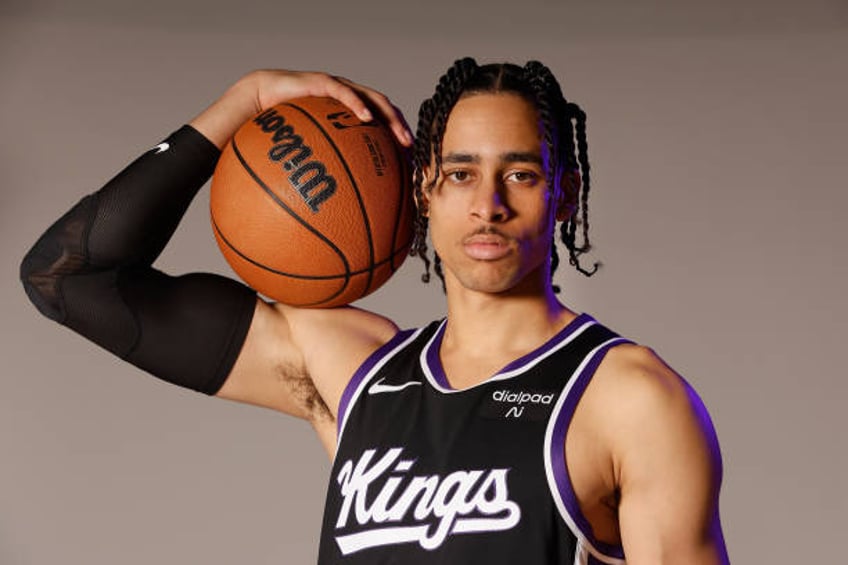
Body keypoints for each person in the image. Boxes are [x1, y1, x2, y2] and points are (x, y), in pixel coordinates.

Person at [20, 58, 729, 564]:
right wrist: (248, 98)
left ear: (564, 194)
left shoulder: (627, 398)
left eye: (520, 172)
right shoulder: (354, 370)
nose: (488, 203)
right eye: (459, 173)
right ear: (424, 190)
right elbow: (70, 277)